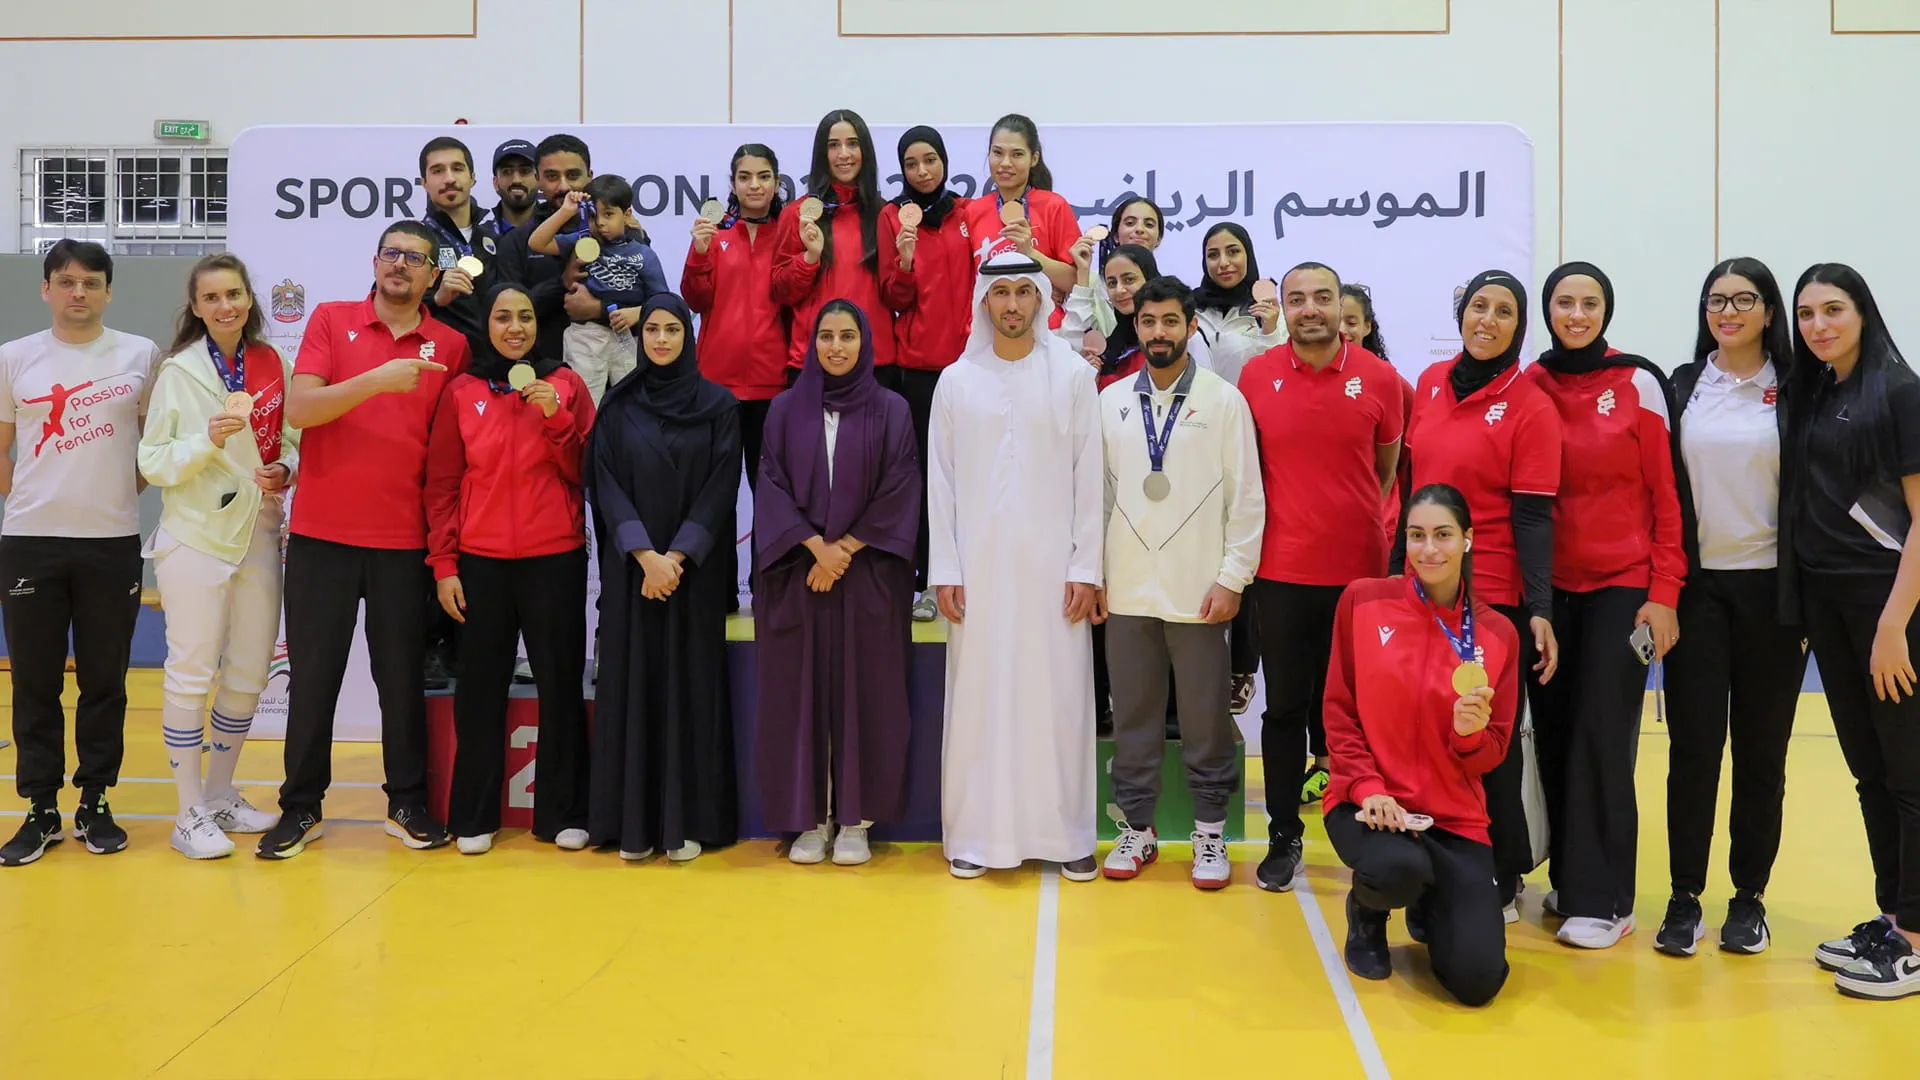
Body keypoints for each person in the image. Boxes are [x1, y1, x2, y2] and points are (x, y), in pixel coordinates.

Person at [255, 221, 469, 860]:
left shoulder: (451, 345)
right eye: (392, 254)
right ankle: (300, 807)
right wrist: (378, 378)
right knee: (313, 679)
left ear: (433, 275)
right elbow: (301, 410)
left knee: (401, 680)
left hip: (403, 541)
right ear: (375, 263)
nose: (401, 264)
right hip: (322, 535)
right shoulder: (331, 318)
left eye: (415, 258)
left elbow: (447, 456)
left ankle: (407, 804)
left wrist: (443, 548)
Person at [928, 251, 1103, 882]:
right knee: (979, 699)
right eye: (999, 292)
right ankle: (976, 835)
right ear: (984, 302)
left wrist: (1086, 568)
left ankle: (1065, 835)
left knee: (1058, 699)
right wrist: (946, 568)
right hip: (977, 574)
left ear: (1039, 300)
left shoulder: (1072, 376)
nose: (1011, 304)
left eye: (1022, 292)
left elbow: (1090, 477)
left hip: (1055, 573)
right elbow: (941, 483)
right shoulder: (956, 381)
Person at [1527, 260, 1686, 949]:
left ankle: (1608, 900)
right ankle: (1571, 880)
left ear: (1606, 311)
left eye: (1589, 303)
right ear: (1548, 310)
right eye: (1564, 302)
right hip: (1548, 591)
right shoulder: (1531, 382)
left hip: (1622, 587)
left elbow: (1667, 496)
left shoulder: (1638, 381)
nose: (1576, 314)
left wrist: (1665, 593)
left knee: (1601, 734)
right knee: (1557, 733)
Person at [1237, 262, 1405, 892]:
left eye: (1322, 298)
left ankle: (1373, 834)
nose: (1310, 308)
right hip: (1280, 571)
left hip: (1360, 577)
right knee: (1285, 708)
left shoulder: (1380, 378)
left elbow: (1384, 469)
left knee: (1363, 713)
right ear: (1283, 308)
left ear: (1341, 306)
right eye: (1297, 298)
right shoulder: (1256, 376)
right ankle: (1284, 836)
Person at [1658, 257, 1808, 956]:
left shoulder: (1798, 387)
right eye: (1716, 300)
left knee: (1761, 754)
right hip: (1697, 593)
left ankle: (1749, 897)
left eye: (1744, 300)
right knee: (1692, 751)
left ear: (1769, 311)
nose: (1728, 311)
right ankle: (1683, 895)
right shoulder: (1684, 384)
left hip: (1773, 597)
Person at [1401, 270, 1562, 919]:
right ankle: (1438, 858)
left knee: (1487, 739)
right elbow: (1410, 491)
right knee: (1427, 728)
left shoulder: (1531, 405)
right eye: (1478, 307)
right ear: (1461, 314)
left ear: (1519, 327)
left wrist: (1540, 609)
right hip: (1422, 587)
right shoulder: (1430, 382)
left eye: (1503, 311)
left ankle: (1503, 871)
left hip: (1490, 598)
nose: (1487, 320)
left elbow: (1533, 518)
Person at [1097, 276, 1263, 889]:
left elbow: (1247, 499)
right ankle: (1137, 829)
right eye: (1149, 322)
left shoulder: (1224, 401)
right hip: (1128, 589)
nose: (1159, 332)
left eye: (1171, 321)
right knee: (1133, 717)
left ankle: (1210, 832)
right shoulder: (1111, 401)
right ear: (1136, 327)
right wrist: (1096, 575)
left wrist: (1233, 578)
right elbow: (1097, 497)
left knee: (1204, 721)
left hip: (1200, 592)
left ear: (1191, 326)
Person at [1782, 263, 1920, 1000]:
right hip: (1831, 608)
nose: (1818, 326)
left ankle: (1917, 942)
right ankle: (1894, 916)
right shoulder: (1822, 391)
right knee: (1871, 773)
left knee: (1909, 775)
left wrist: (1894, 624)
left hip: (1889, 607)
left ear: (1862, 312)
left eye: (1832, 310)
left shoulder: (1899, 392)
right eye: (1806, 314)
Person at [1324, 483, 1517, 1007]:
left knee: (1478, 981)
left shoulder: (1498, 634)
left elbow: (1495, 749)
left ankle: (1432, 904)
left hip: (1453, 818)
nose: (1429, 550)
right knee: (1396, 868)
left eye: (1443, 535)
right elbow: (1339, 710)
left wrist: (1468, 735)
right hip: (1370, 806)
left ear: (1468, 539)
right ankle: (1368, 913)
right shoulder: (1363, 601)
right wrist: (1366, 786)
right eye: (1416, 536)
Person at [0, 240, 161, 867]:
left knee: (104, 681)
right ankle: (40, 809)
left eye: (91, 283)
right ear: (46, 288)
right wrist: (33, 500)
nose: (78, 292)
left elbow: (152, 447)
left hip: (111, 542)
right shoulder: (14, 357)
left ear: (108, 291)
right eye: (66, 281)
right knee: (34, 681)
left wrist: (115, 493)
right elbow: (3, 449)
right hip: (31, 543)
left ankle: (96, 800)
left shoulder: (141, 355)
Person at [137, 253, 298, 859]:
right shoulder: (178, 371)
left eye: (234, 294)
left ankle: (220, 793)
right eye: (212, 298)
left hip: (259, 530)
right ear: (196, 307)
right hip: (196, 537)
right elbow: (153, 461)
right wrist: (205, 439)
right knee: (192, 669)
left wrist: (287, 469)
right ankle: (187, 813)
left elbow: (295, 439)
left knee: (251, 669)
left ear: (249, 298)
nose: (225, 306)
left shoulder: (273, 361)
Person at [425, 284, 594, 855]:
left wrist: (555, 417)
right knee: (479, 690)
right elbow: (443, 485)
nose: (515, 327)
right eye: (503, 317)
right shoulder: (462, 391)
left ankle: (563, 812)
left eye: (524, 317)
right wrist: (444, 563)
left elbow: (586, 471)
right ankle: (474, 816)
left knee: (561, 686)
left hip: (555, 557)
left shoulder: (566, 384)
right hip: (481, 562)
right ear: (488, 325)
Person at [753, 301, 921, 866]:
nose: (836, 347)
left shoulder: (891, 409)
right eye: (826, 336)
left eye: (847, 336)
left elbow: (901, 484)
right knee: (799, 696)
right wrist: (814, 547)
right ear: (812, 344)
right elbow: (770, 483)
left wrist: (843, 549)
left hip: (867, 575)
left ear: (864, 343)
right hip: (800, 575)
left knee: (867, 694)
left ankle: (855, 820)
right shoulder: (784, 410)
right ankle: (809, 818)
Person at [586, 294, 741, 862]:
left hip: (692, 575)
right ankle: (631, 823)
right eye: (651, 329)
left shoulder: (719, 405)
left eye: (672, 330)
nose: (660, 340)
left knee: (691, 687)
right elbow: (603, 482)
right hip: (634, 575)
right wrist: (643, 554)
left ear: (688, 336)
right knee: (634, 686)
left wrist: (676, 556)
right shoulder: (617, 406)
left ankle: (689, 821)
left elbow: (722, 485)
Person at [879, 126, 973, 622]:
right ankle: (925, 582)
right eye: (911, 163)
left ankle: (972, 575)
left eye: (930, 160)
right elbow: (893, 297)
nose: (922, 171)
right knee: (922, 478)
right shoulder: (892, 216)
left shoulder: (968, 213)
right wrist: (906, 259)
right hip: (915, 368)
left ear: (944, 161)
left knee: (969, 475)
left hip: (970, 366)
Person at [683, 142, 788, 492]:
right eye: (745, 177)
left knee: (770, 492)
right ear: (732, 183)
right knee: (715, 492)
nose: (754, 185)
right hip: (717, 383)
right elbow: (695, 299)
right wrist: (699, 253)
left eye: (763, 176)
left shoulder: (789, 235)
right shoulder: (713, 234)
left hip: (773, 383)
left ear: (777, 182)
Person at [772, 110, 903, 390]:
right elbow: (782, 291)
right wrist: (810, 259)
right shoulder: (797, 214)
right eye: (833, 145)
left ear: (865, 151)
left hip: (876, 363)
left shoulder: (885, 213)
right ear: (822, 153)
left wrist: (907, 264)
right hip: (813, 363)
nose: (844, 154)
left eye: (852, 144)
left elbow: (897, 296)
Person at [529, 175, 667, 405]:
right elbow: (536, 242)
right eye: (593, 215)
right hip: (586, 334)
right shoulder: (583, 240)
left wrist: (637, 313)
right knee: (584, 402)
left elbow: (663, 302)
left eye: (609, 214)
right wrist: (566, 211)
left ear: (627, 214)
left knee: (633, 403)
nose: (600, 223)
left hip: (628, 336)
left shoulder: (644, 254)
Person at [493, 133, 598, 364]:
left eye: (573, 175)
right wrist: (561, 283)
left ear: (590, 177)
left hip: (611, 371)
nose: (564, 186)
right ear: (538, 179)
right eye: (552, 177)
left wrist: (601, 309)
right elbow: (509, 313)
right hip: (542, 369)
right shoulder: (517, 241)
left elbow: (645, 301)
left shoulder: (618, 233)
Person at [961, 114, 1081, 303]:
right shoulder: (973, 211)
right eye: (997, 152)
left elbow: (1077, 282)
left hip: (1046, 321)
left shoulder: (1054, 206)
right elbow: (967, 284)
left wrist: (1030, 254)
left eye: (1017, 154)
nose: (1005, 163)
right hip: (991, 321)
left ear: (1034, 158)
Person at [1343, 283, 1414, 557]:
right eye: (1338, 321)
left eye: (1352, 322)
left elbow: (1408, 456)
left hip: (1381, 523)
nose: (1343, 330)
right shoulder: (1310, 382)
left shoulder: (1390, 382)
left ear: (1367, 327)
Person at [418, 135, 506, 352]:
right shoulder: (414, 241)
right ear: (424, 182)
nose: (449, 178)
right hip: (439, 359)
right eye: (438, 171)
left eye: (457, 168)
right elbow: (389, 303)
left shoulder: (495, 238)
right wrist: (436, 299)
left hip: (495, 361)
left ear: (472, 178)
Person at [1191, 222, 1283, 388]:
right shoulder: (1188, 308)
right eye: (1213, 255)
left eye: (1233, 252)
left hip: (1249, 403)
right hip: (1195, 403)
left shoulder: (1270, 312)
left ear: (1248, 255)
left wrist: (1270, 332)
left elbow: (1280, 374)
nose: (1223, 263)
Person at [487, 138, 540, 233]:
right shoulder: (478, 237)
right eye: (507, 172)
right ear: (495, 182)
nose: (516, 180)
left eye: (525, 171)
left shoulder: (558, 231)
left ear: (539, 178)